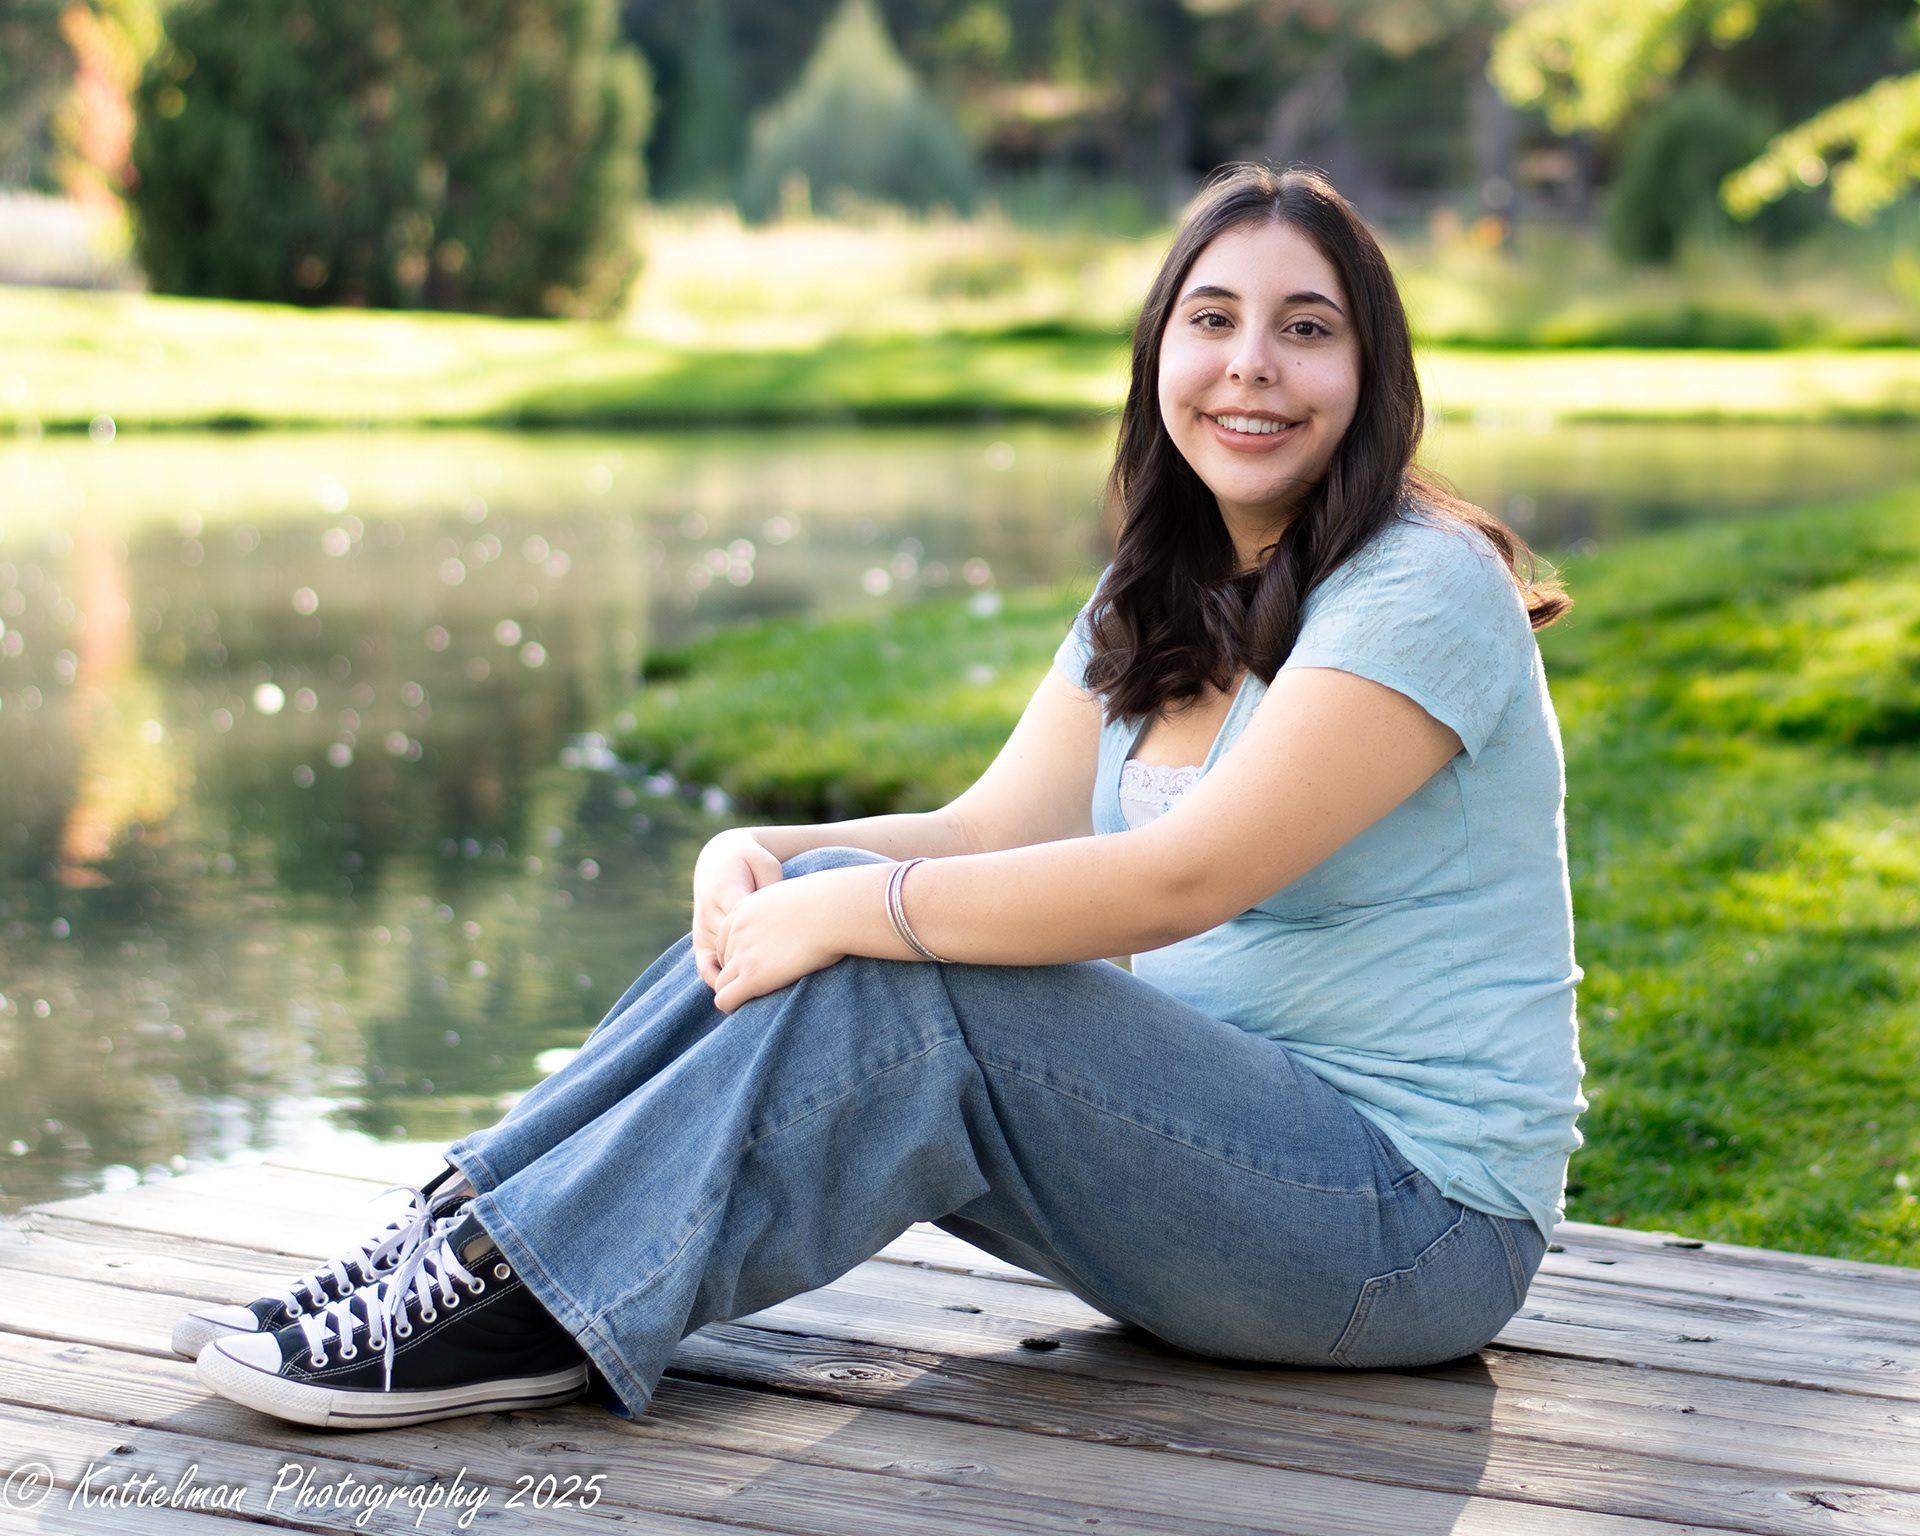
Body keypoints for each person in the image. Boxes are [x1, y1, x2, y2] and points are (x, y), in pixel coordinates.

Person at [177, 164, 1584, 1431]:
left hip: (1411, 1231)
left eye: (1306, 328)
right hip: (1210, 1178)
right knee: (827, 903)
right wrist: (768, 850)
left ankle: (531, 1304)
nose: (1251, 364)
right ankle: (459, 1237)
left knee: (905, 968)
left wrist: (860, 911)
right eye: (1211, 319)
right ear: (1159, 353)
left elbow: (1184, 881)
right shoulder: (1163, 590)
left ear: (1371, 371)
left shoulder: (1421, 586)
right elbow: (983, 833)